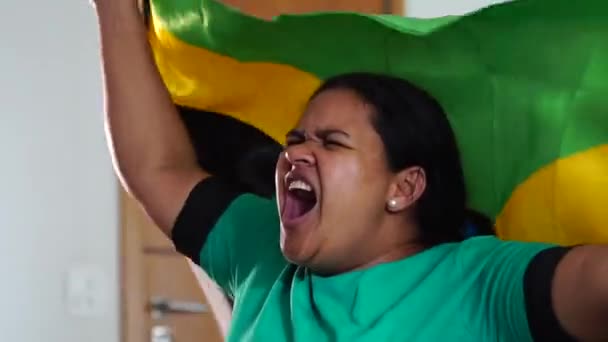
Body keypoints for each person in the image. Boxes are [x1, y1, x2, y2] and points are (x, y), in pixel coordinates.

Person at [93, 0, 608, 340]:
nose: (295, 153)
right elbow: (155, 168)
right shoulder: (260, 251)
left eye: (331, 143)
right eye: (294, 139)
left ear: (404, 187)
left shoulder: (479, 282)